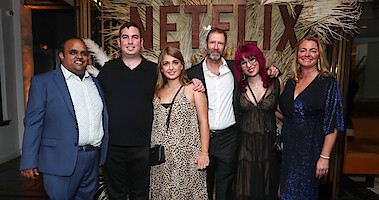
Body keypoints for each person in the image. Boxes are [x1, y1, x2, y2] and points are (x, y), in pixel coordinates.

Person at [97, 21, 204, 200]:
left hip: (144, 148)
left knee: (142, 195)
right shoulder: (108, 70)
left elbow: (174, 78)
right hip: (113, 149)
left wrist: (195, 81)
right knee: (116, 196)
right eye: (125, 37)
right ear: (119, 42)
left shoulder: (153, 71)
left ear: (141, 42)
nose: (130, 42)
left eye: (134, 37)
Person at [186, 28, 279, 200]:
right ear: (205, 45)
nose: (216, 47)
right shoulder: (192, 74)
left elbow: (258, 75)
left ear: (225, 47)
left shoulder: (235, 70)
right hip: (201, 140)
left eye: (220, 43)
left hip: (229, 139)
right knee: (202, 189)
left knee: (225, 190)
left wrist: (274, 70)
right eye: (212, 42)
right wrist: (191, 81)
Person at [20, 38, 109, 199]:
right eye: (73, 52)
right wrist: (28, 160)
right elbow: (33, 124)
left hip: (92, 159)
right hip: (60, 160)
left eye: (83, 53)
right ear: (61, 55)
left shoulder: (95, 83)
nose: (79, 56)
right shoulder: (43, 82)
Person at [279, 35, 344, 199]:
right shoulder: (291, 81)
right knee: (284, 194)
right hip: (288, 152)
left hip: (311, 153)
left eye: (312, 51)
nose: (307, 54)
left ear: (319, 55)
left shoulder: (328, 82)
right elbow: (285, 114)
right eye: (303, 50)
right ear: (297, 55)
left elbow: (333, 122)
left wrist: (324, 157)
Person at [149, 47, 209, 199]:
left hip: (188, 160)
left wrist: (204, 153)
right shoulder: (156, 93)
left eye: (175, 63)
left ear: (182, 65)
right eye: (166, 64)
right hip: (161, 162)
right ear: (161, 68)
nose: (171, 68)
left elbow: (204, 123)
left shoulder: (194, 90)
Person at [232, 44, 284, 200]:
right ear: (240, 67)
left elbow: (280, 111)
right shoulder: (237, 87)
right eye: (243, 62)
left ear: (259, 59)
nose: (249, 65)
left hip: (268, 148)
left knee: (267, 192)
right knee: (245, 192)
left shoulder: (276, 83)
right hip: (244, 149)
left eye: (252, 59)